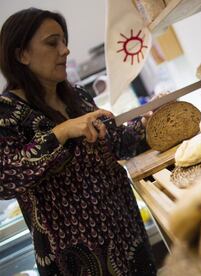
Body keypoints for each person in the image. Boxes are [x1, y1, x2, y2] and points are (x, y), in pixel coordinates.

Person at [0, 8, 157, 275]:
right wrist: (61, 132)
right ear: (21, 54)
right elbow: (6, 177)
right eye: (52, 43)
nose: (65, 50)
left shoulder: (78, 96)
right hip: (75, 261)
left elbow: (117, 144)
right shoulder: (7, 111)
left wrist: (147, 122)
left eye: (64, 41)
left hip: (128, 236)